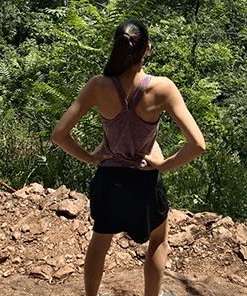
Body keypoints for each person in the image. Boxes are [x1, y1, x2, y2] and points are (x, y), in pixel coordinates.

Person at [51, 18, 206, 296]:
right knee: (158, 240)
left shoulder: (99, 86)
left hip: (109, 178)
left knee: (100, 242)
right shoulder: (162, 89)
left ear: (117, 48)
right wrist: (164, 164)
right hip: (145, 181)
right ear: (146, 49)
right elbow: (197, 144)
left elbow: (59, 134)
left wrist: (91, 157)